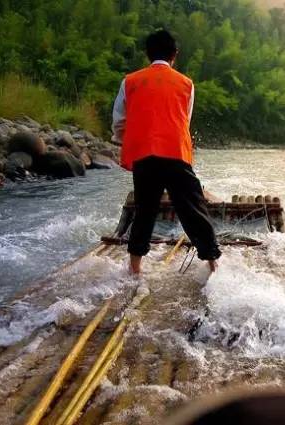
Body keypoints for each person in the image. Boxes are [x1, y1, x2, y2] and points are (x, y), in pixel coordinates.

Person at [112, 29, 221, 275]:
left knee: (145, 211)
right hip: (175, 154)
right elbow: (184, 120)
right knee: (193, 210)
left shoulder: (130, 81)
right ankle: (213, 265)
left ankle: (135, 270)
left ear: (147, 54)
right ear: (175, 55)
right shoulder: (186, 84)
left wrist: (128, 139)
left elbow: (119, 121)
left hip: (145, 156)